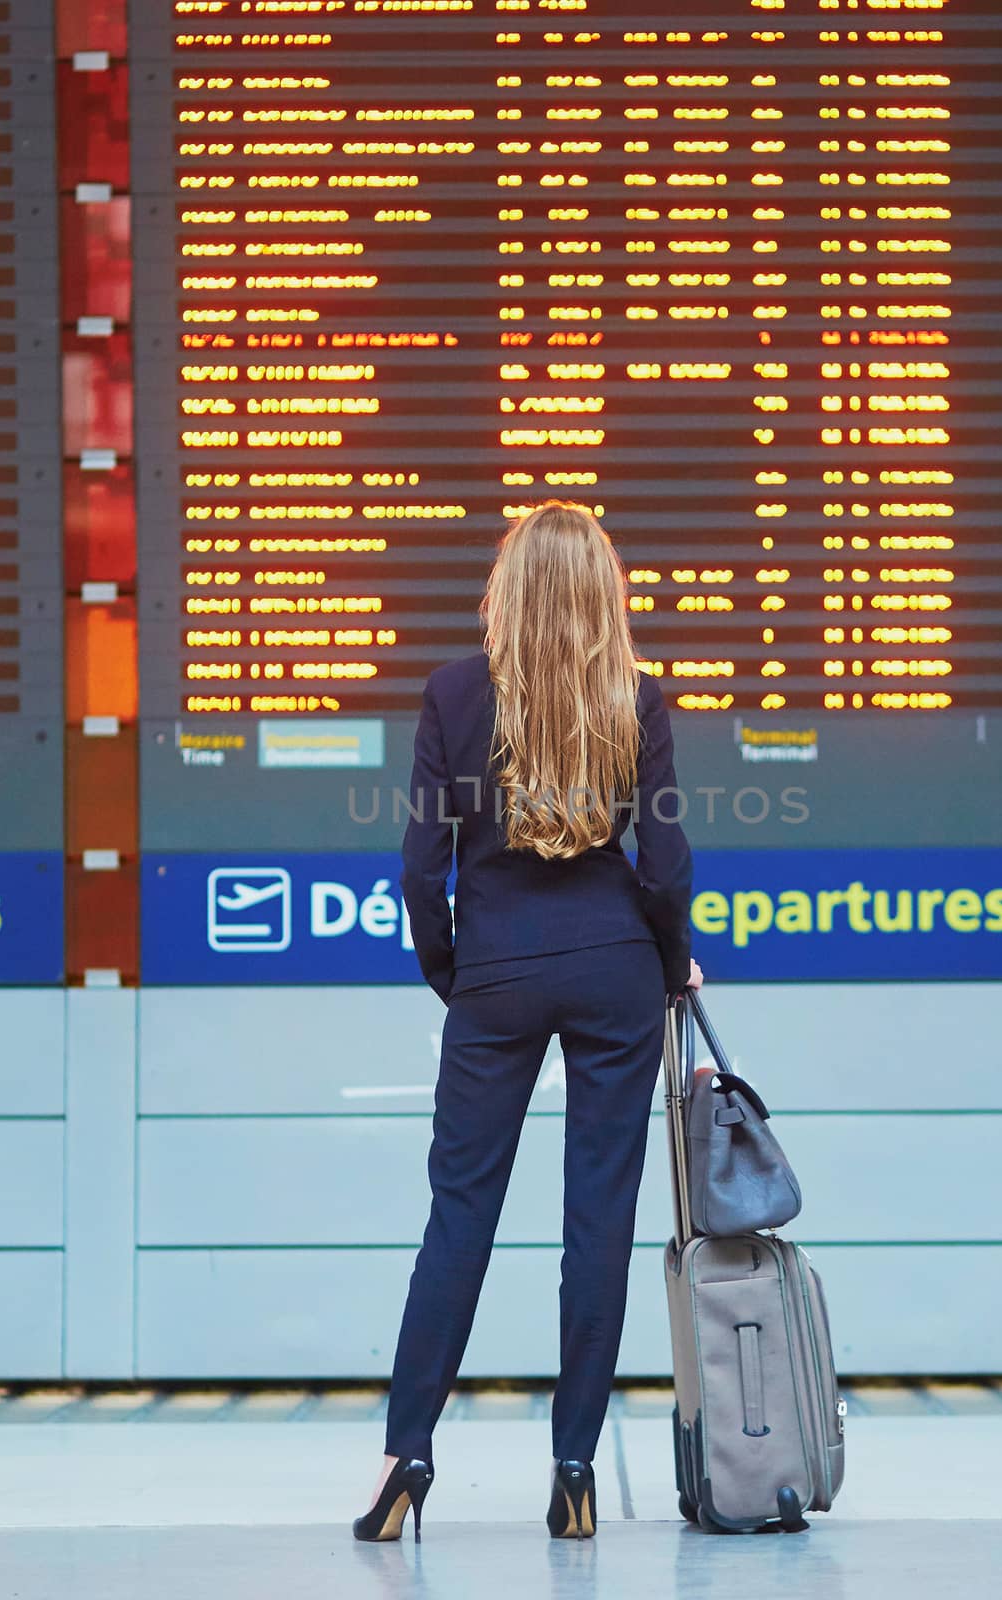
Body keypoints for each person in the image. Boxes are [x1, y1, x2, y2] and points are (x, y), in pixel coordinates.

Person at [353, 500, 701, 1544]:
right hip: (614, 975)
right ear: (604, 591)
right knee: (597, 1219)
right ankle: (575, 1468)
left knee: (459, 1213)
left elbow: (419, 868)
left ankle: (406, 1457)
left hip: (495, 971)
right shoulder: (635, 698)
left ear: (506, 590)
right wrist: (666, 951)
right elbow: (668, 866)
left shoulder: (454, 695)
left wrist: (456, 972)